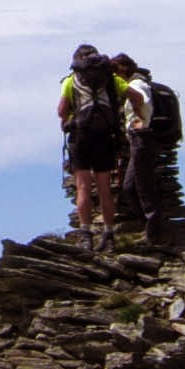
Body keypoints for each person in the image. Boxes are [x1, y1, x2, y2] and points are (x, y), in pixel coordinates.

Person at [57, 43, 129, 233]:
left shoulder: (71, 80)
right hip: (104, 135)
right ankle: (109, 233)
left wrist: (67, 120)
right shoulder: (111, 79)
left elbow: (61, 110)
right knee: (105, 188)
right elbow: (136, 97)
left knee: (83, 187)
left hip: (81, 135)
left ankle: (85, 233)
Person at [116, 56, 183, 239]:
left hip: (142, 138)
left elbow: (141, 101)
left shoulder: (136, 85)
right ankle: (150, 227)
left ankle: (154, 232)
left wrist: (140, 122)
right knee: (131, 186)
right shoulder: (141, 82)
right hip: (142, 139)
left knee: (143, 186)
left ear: (122, 69)